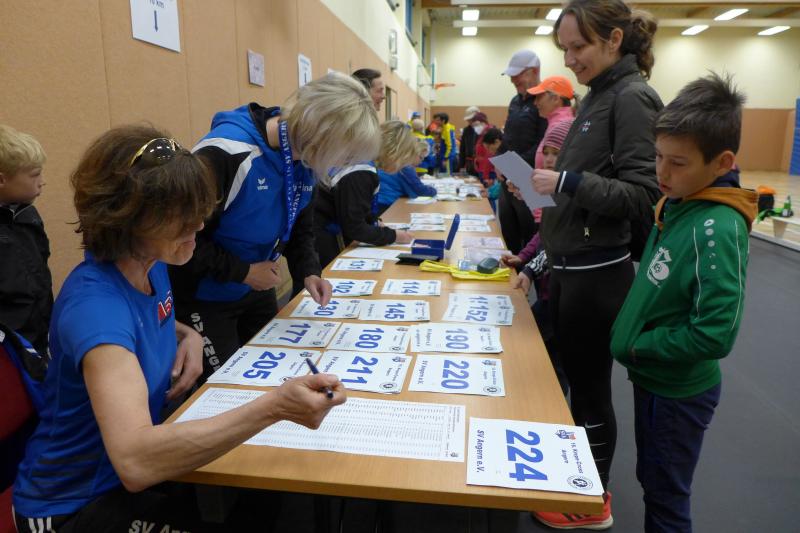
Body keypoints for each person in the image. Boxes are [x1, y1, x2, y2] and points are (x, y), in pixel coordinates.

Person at [12, 125, 346, 532]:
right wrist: (275, 407)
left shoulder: (151, 266)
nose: (200, 226)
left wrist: (186, 333)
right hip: (73, 505)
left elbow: (140, 319)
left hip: (121, 483)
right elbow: (136, 461)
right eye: (183, 217)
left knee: (264, 502)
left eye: (199, 211)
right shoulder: (96, 310)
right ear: (128, 218)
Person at [530, 1, 663, 529]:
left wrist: (567, 181)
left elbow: (644, 195)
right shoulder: (597, 96)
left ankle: (590, 501)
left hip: (597, 274)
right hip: (569, 268)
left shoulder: (632, 98)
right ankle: (575, 482)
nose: (570, 59)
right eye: (564, 48)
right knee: (574, 386)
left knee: (589, 391)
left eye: (579, 46)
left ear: (613, 40)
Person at [610, 73, 756, 533]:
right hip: (652, 378)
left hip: (676, 390)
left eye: (677, 163)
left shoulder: (717, 227)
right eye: (657, 157)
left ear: (722, 162)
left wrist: (642, 345)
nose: (661, 173)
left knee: (667, 499)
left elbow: (715, 333)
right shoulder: (678, 203)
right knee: (652, 481)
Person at [169, 72, 378, 380]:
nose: (340, 164)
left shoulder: (304, 159)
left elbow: (301, 228)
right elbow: (179, 241)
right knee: (225, 388)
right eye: (342, 154)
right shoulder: (226, 154)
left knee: (275, 379)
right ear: (320, 134)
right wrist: (245, 272)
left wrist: (309, 271)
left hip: (257, 289)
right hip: (206, 296)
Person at [506, 120, 574, 397]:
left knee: (551, 356)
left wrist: (530, 269)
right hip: (548, 290)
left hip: (561, 294)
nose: (548, 158)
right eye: (546, 152)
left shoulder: (568, 197)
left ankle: (551, 403)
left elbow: (557, 244)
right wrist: (522, 257)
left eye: (556, 153)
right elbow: (543, 235)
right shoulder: (553, 193)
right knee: (543, 349)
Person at [314, 120, 417, 267]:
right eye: (403, 162)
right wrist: (394, 236)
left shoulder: (361, 161)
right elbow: (354, 227)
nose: (401, 168)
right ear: (394, 152)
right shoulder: (361, 172)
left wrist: (374, 221)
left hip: (324, 229)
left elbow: (357, 206)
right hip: (321, 234)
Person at [0, 125, 53, 357]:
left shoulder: (28, 216)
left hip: (39, 339)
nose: (42, 182)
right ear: (2, 180)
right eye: (34, 175)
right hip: (9, 348)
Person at [498, 49, 549, 254]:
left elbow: (544, 143)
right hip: (509, 175)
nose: (513, 80)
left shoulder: (543, 100)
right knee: (508, 231)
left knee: (529, 235)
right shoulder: (515, 101)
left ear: (534, 71)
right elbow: (508, 136)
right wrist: (499, 160)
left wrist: (515, 165)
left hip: (529, 176)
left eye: (517, 75)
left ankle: (527, 272)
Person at [526, 75, 579, 169]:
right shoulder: (556, 123)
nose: (535, 102)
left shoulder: (561, 126)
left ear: (555, 99)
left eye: (539, 97)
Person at [375, 136, 438, 214]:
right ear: (415, 153)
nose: (421, 162)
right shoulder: (406, 166)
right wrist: (434, 190)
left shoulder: (396, 159)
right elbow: (420, 190)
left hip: (379, 201)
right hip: (386, 204)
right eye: (421, 157)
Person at [458, 105, 481, 174]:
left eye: (472, 119)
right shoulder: (466, 130)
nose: (470, 121)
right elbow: (462, 149)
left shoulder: (484, 130)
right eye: (469, 120)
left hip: (481, 164)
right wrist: (461, 166)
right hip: (469, 164)